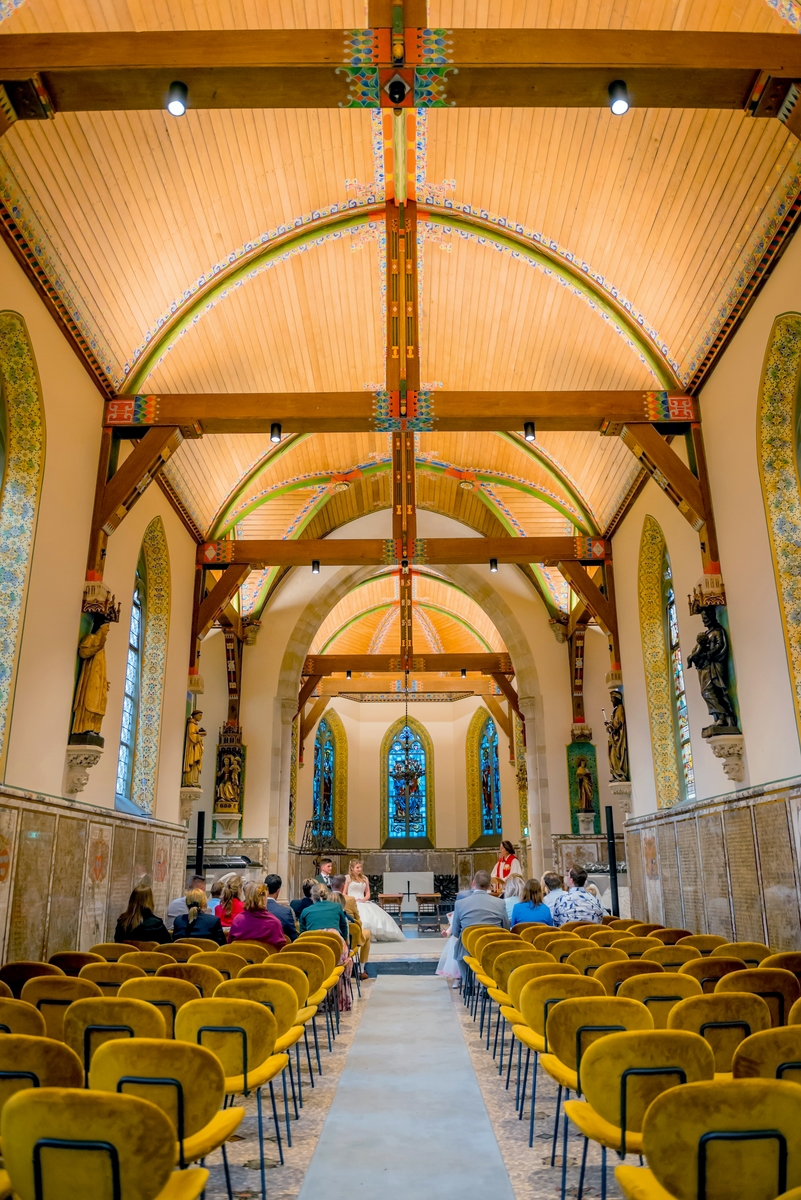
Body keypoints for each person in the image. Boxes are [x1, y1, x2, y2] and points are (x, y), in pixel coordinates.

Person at [451, 869, 509, 987]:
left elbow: (456, 932)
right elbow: (506, 929)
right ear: (490, 885)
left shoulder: (460, 904)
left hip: (469, 948)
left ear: (473, 883)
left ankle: (468, 984)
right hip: (492, 947)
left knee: (460, 946)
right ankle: (488, 985)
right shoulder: (500, 903)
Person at [343, 860, 405, 943]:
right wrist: (352, 899)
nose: (359, 869)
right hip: (352, 901)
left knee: (373, 916)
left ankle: (370, 935)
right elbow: (344, 893)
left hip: (363, 901)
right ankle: (358, 935)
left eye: (360, 867)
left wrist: (364, 899)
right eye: (357, 867)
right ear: (351, 868)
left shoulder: (364, 878)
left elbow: (368, 893)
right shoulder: (347, 878)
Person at [331, 873, 371, 979]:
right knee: (367, 933)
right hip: (349, 941)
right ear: (344, 886)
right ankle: (361, 969)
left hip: (328, 940)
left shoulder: (325, 899)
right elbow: (357, 919)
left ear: (331, 885)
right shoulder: (350, 899)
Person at [228, 884, 287, 950]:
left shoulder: (237, 920)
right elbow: (282, 950)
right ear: (264, 898)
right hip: (267, 960)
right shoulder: (275, 923)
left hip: (242, 959)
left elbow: (230, 945)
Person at [264, 874, 299, 942]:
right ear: (278, 891)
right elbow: (293, 938)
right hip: (280, 950)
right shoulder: (285, 912)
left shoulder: (253, 910)